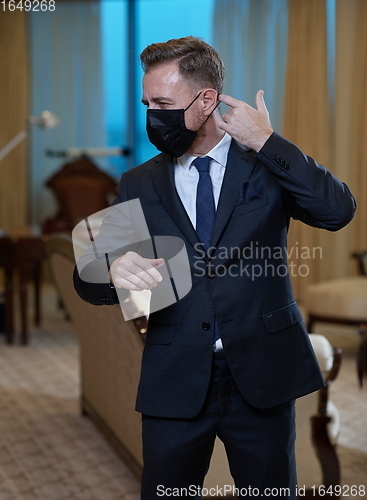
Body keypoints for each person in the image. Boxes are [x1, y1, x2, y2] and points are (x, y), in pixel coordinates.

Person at [74, 36, 356, 499]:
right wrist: (112, 269)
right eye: (148, 103)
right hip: (175, 375)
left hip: (262, 372)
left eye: (163, 103)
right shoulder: (138, 183)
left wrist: (266, 141)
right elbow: (88, 277)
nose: (152, 115)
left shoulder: (265, 166)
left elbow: (337, 211)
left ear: (206, 100)